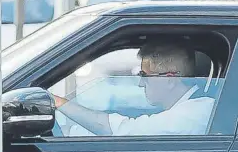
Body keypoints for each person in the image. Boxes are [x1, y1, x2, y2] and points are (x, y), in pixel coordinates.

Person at [51, 42, 215, 136]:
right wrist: (70, 132)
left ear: (169, 79)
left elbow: (122, 130)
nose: (140, 83)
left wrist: (57, 102)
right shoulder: (186, 109)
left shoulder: (194, 113)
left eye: (144, 75)